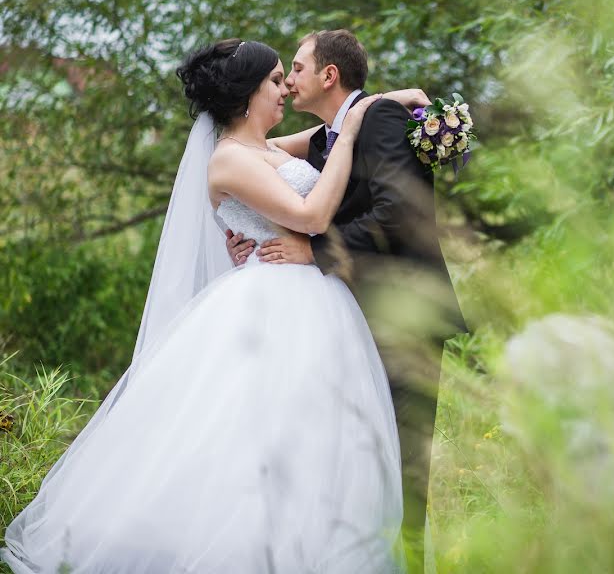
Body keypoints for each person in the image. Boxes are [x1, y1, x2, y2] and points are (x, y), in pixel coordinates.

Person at [0, 38, 427, 573]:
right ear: (248, 95)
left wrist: (382, 102)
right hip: (272, 302)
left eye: (288, 74)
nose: (286, 86)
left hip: (317, 302)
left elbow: (329, 131)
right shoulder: (228, 159)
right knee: (253, 433)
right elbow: (313, 214)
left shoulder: (268, 149)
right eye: (276, 79)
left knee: (317, 437)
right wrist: (361, 119)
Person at [225, 30, 467, 571]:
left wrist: (313, 250)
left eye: (297, 67)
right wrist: (236, 220)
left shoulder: (378, 122)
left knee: (403, 465)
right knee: (356, 461)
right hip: (352, 318)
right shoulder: (328, 137)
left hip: (405, 316)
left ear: (329, 76)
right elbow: (247, 159)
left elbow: (397, 216)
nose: (288, 80)